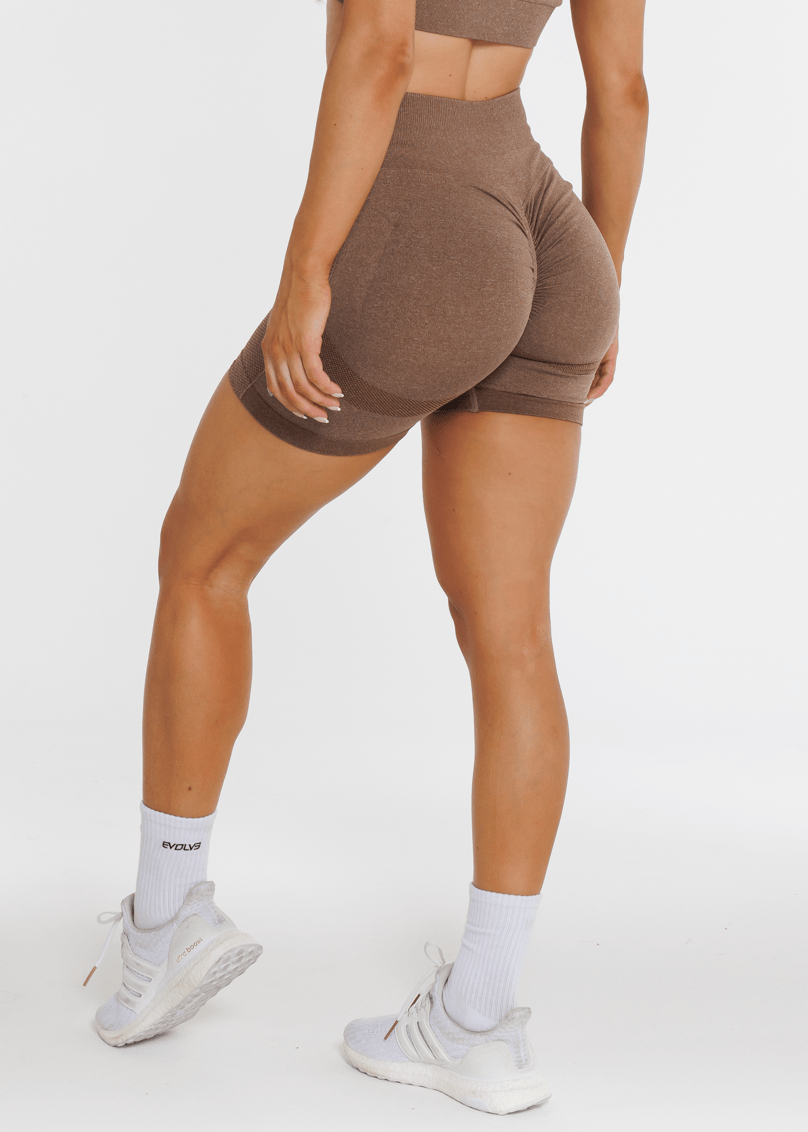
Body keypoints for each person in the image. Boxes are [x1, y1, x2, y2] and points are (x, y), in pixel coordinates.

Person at [84, 0, 648, 1114]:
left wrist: (308, 268)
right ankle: (477, 1022)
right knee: (513, 634)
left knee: (203, 556)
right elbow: (621, 91)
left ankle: (163, 926)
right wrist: (606, 287)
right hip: (553, 233)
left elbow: (382, 46)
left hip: (418, 216)